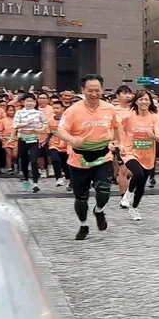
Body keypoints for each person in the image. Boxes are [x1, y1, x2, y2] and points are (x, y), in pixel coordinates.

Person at [56, 74, 124, 241]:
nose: (94, 94)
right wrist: (72, 140)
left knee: (104, 191)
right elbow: (61, 130)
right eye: (90, 91)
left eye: (97, 90)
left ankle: (99, 210)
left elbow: (116, 127)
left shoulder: (109, 108)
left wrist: (119, 142)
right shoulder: (73, 110)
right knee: (81, 197)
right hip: (79, 158)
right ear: (83, 90)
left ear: (102, 89)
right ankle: (84, 224)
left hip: (103, 155)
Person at [118, 91, 159, 221]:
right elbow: (118, 130)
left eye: (146, 100)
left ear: (150, 102)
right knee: (138, 174)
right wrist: (118, 143)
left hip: (148, 154)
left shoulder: (154, 117)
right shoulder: (128, 116)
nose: (144, 102)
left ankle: (134, 208)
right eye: (141, 99)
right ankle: (128, 194)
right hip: (130, 151)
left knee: (142, 183)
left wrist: (153, 136)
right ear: (136, 101)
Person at [12, 93, 48, 193]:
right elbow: (15, 125)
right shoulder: (19, 113)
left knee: (34, 161)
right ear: (23, 102)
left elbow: (45, 123)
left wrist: (41, 129)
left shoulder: (39, 113)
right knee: (23, 161)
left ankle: (35, 183)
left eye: (31, 101)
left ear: (35, 102)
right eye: (27, 101)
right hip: (22, 139)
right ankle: (26, 180)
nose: (29, 103)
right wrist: (26, 124)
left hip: (34, 140)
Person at [47, 102, 71, 188]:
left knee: (66, 164)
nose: (55, 110)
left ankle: (68, 179)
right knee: (55, 159)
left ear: (63, 109)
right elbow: (49, 133)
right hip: (54, 144)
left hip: (66, 145)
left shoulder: (67, 120)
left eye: (57, 108)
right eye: (54, 108)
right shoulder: (50, 120)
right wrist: (44, 141)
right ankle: (58, 178)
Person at [0, 104, 17, 176]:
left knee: (14, 155)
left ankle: (13, 164)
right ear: (6, 111)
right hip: (5, 139)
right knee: (8, 154)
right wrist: (0, 137)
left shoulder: (17, 120)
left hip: (15, 139)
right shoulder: (3, 120)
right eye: (10, 110)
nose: (11, 112)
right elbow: (0, 130)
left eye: (13, 110)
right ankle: (10, 168)